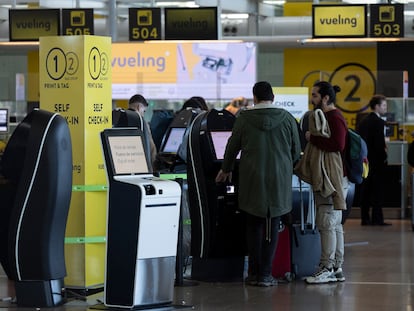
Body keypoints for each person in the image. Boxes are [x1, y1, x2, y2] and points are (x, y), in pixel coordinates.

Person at [215, 81, 301, 287]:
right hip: (279, 180)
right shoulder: (287, 118)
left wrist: (225, 169)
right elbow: (296, 151)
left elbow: (232, 146)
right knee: (272, 226)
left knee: (253, 225)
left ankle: (253, 273)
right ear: (273, 97)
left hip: (252, 178)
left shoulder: (244, 118)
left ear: (254, 97)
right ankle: (265, 275)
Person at [303, 81, 349, 284]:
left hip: (331, 178)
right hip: (336, 178)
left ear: (325, 98)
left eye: (314, 95)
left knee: (327, 222)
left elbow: (337, 144)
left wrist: (312, 138)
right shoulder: (332, 116)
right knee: (335, 224)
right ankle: (336, 267)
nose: (312, 99)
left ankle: (326, 267)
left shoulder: (333, 117)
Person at [356, 95, 390, 226]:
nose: (385, 108)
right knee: (377, 191)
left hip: (365, 161)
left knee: (366, 190)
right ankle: (377, 218)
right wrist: (384, 157)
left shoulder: (363, 122)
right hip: (377, 162)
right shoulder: (380, 123)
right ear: (376, 106)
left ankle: (365, 218)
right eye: (383, 106)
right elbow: (380, 145)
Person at [128, 94, 157, 167]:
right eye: (144, 111)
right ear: (139, 107)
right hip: (142, 166)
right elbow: (151, 148)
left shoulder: (122, 119)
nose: (143, 114)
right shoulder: (142, 122)